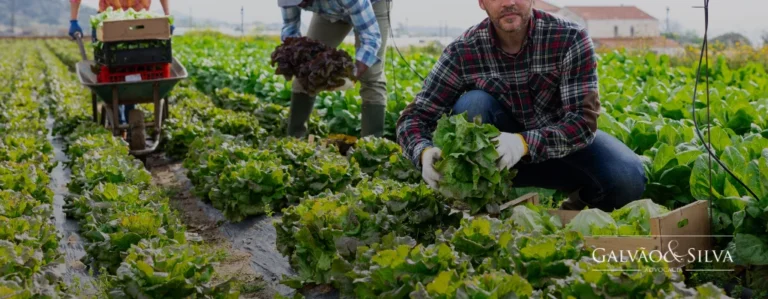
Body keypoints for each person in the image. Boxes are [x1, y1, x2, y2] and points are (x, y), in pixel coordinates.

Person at [395, 0, 647, 212]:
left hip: (562, 151)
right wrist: (423, 152)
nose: (508, 3)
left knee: (628, 176)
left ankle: (573, 209)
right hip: (494, 161)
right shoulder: (463, 51)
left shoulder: (569, 38)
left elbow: (582, 123)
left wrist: (523, 143)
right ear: (482, 2)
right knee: (474, 104)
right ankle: (484, 207)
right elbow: (413, 118)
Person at [278, 0, 391, 138]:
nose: (301, 6)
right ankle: (295, 138)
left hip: (372, 6)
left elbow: (371, 38)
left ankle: (372, 146)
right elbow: (290, 29)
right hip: (329, 11)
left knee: (371, 75)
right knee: (305, 68)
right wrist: (295, 57)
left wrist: (351, 74)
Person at [68, 0, 174, 126]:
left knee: (136, 66)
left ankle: (129, 115)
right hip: (107, 24)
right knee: (111, 68)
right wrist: (73, 20)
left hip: (141, 23)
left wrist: (167, 15)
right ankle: (119, 119)